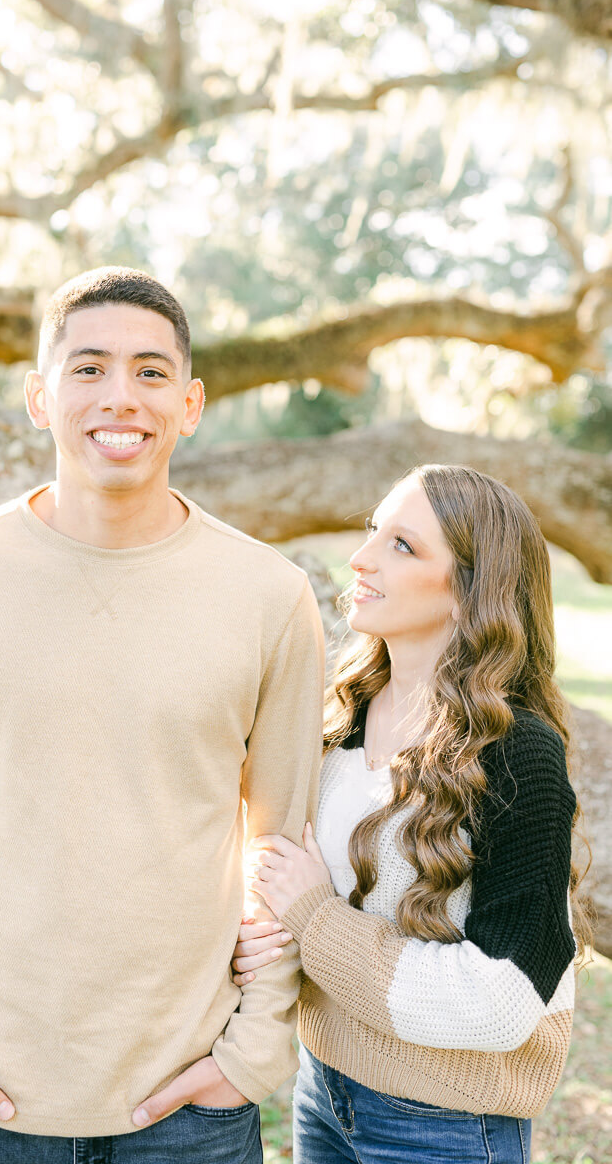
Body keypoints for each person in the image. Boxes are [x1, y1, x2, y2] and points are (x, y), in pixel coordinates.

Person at [0, 266, 326, 1164]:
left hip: (189, 1108)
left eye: (150, 372)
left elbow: (287, 846)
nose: (120, 397)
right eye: (88, 367)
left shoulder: (270, 595)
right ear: (38, 395)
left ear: (190, 404)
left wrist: (255, 1051)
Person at [232, 464, 589, 1164]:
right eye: (373, 532)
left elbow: (506, 998)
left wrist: (313, 920)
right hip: (324, 1092)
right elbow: (290, 878)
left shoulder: (519, 754)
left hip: (447, 1124)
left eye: (402, 546)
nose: (360, 559)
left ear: (468, 591)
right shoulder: (342, 716)